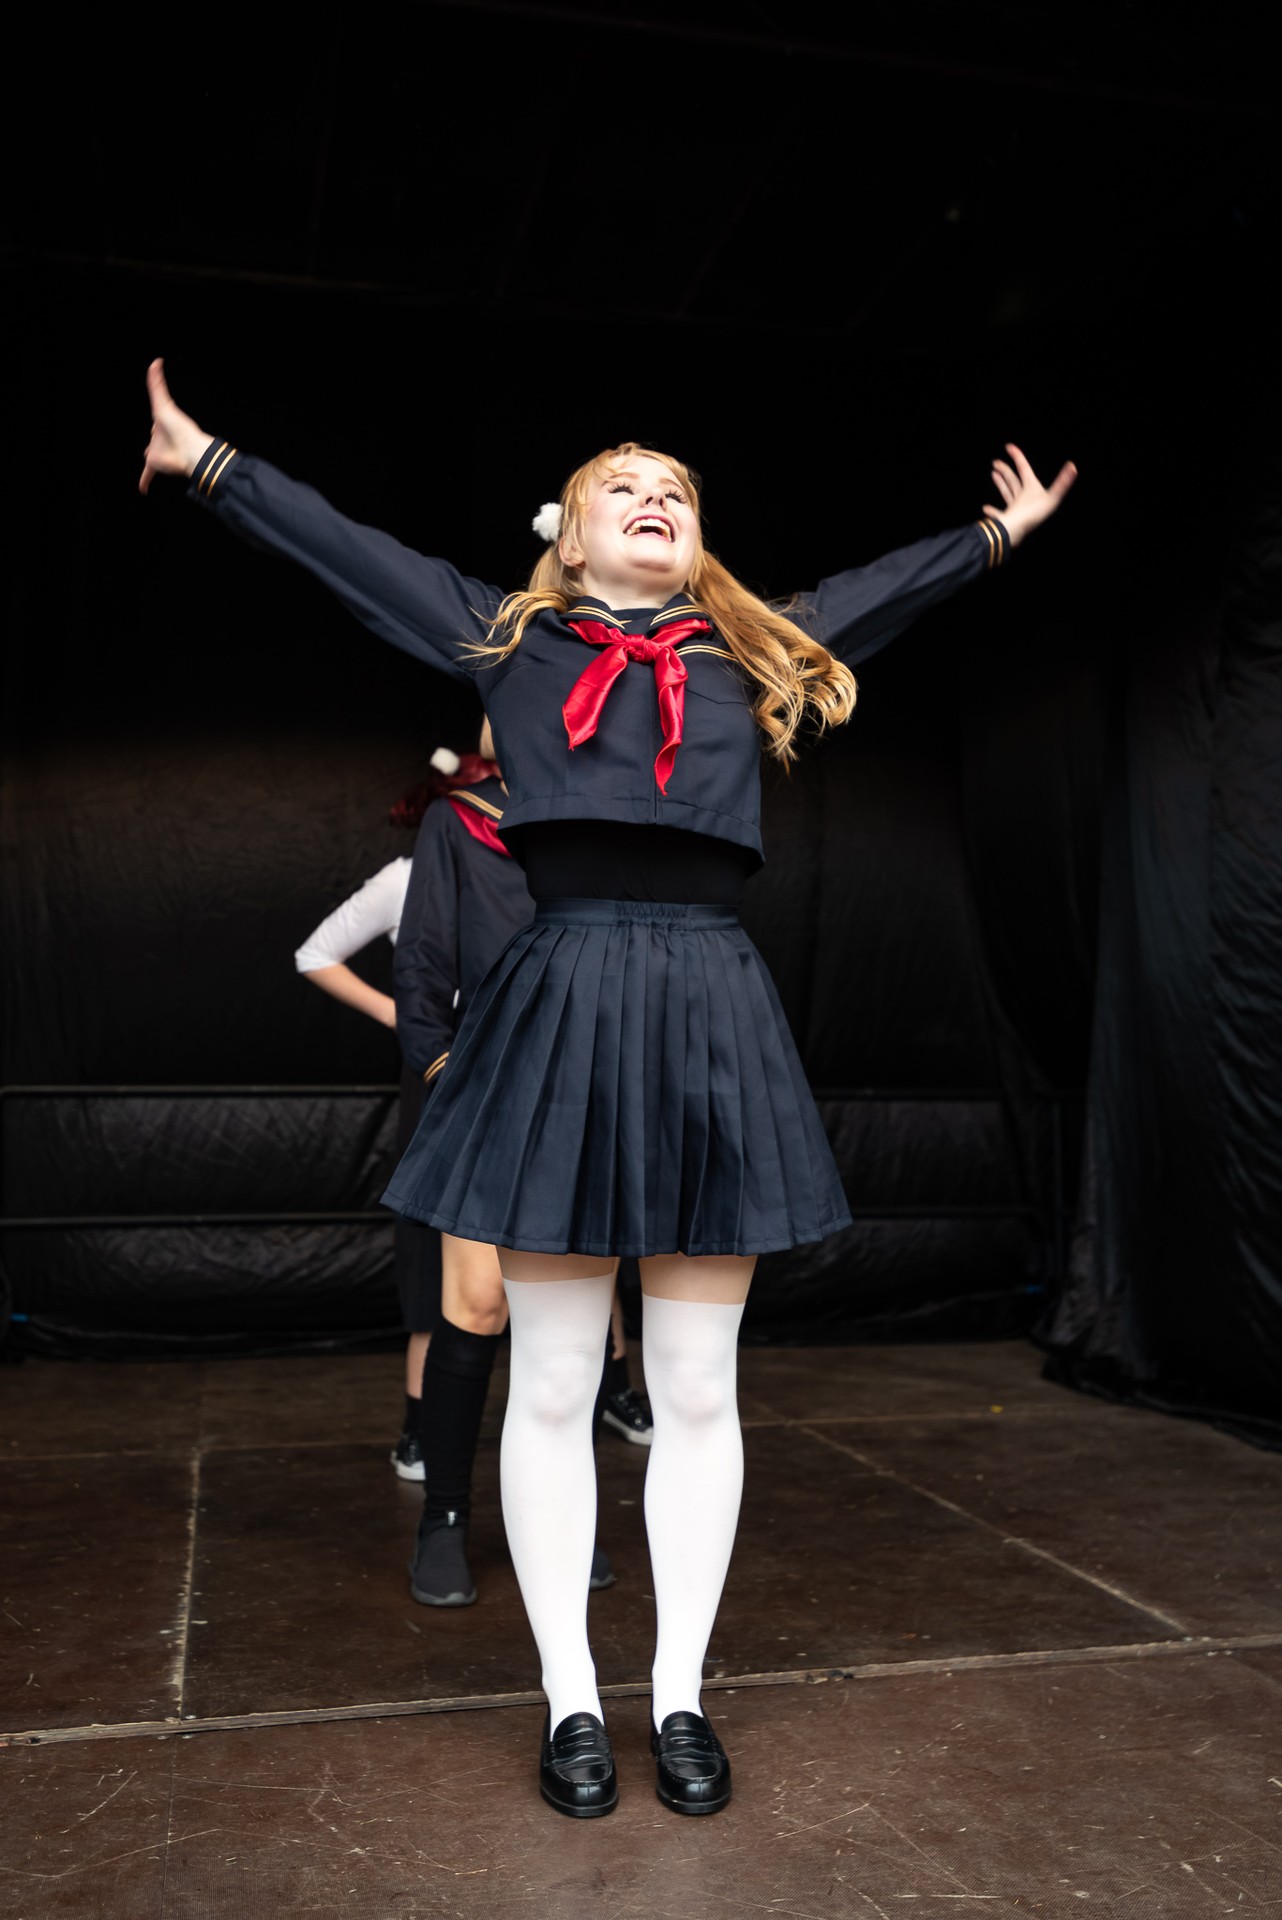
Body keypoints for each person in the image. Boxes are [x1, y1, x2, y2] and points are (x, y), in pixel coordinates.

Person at [141, 360, 1074, 1819]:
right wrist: (212, 465)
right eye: (621, 489)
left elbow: (887, 591)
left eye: (675, 492)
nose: (654, 500)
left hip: (708, 1001)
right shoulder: (506, 638)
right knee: (558, 1379)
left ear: (696, 539)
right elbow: (347, 552)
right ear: (570, 540)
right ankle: (571, 1700)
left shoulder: (750, 648)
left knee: (694, 1385)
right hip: (561, 995)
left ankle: (679, 1696)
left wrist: (996, 536)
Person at [293, 738, 498, 1480]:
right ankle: (420, 1429)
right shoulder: (406, 878)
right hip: (441, 1068)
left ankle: (610, 1393)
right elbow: (314, 954)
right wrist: (405, 1020)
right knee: (431, 1244)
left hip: (519, 1064)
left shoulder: (535, 870)